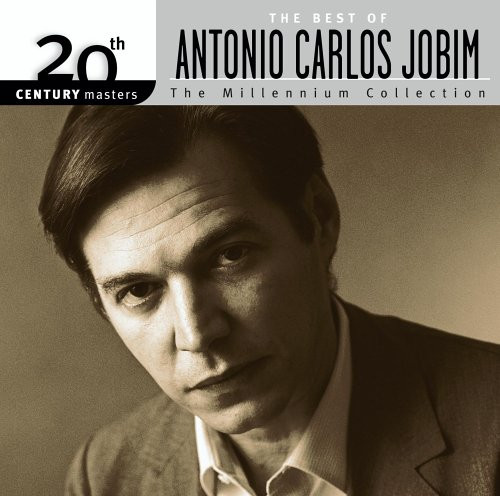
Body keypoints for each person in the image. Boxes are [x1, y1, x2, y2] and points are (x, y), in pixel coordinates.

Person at [39, 106, 499, 496]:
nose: (197, 335)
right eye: (139, 290)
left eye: (230, 256)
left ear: (319, 218)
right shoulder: (104, 475)